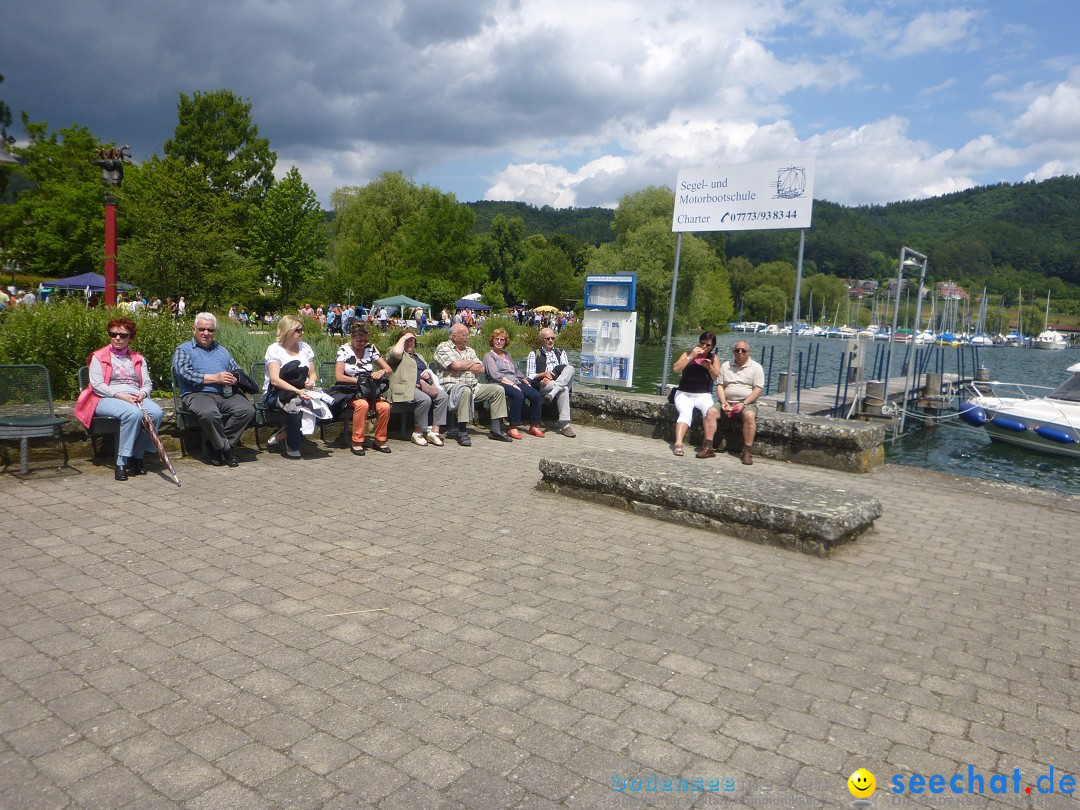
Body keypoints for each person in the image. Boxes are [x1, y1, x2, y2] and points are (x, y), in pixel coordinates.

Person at [74, 317, 164, 481]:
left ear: (130, 337)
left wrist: (142, 393)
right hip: (105, 396)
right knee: (133, 414)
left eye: (122, 335)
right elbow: (97, 385)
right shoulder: (99, 356)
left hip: (134, 396)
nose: (117, 338)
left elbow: (147, 383)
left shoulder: (137, 358)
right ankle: (122, 462)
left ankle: (138, 456)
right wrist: (120, 395)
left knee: (156, 413)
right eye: (113, 334)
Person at [172, 312, 255, 467]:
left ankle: (217, 445)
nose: (206, 333)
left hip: (225, 393)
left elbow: (236, 369)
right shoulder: (184, 350)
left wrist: (235, 378)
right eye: (202, 329)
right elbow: (184, 374)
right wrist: (214, 378)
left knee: (247, 410)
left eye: (210, 330)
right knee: (210, 413)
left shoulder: (222, 350)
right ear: (194, 329)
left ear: (214, 332)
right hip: (196, 394)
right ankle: (227, 450)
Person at [433, 323, 512, 445]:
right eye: (464, 335)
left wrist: (462, 365)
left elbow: (481, 368)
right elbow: (455, 365)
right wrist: (467, 364)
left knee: (498, 389)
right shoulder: (443, 348)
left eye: (468, 335)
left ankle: (496, 430)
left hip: (474, 385)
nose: (468, 337)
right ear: (454, 336)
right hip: (452, 387)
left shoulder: (470, 350)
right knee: (465, 390)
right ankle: (462, 432)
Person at [264, 315, 321, 458]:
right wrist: (297, 391)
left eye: (302, 330)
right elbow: (275, 380)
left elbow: (313, 374)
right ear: (287, 331)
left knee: (322, 405)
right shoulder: (275, 350)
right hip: (277, 392)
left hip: (302, 390)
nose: (302, 333)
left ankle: (283, 434)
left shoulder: (305, 348)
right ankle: (293, 446)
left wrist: (311, 382)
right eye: (298, 330)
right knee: (295, 404)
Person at [333, 321, 392, 456]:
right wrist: (359, 381)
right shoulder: (344, 350)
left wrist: (381, 372)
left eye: (365, 340)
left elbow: (388, 369)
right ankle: (357, 442)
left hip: (369, 390)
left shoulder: (370, 348)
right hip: (350, 390)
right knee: (362, 405)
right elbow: (338, 376)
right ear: (352, 337)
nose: (362, 344)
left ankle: (379, 440)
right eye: (359, 340)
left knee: (385, 407)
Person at [704, 339, 764, 464]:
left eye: (743, 350)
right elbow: (720, 385)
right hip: (727, 401)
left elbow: (758, 389)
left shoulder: (756, 367)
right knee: (710, 412)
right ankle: (708, 447)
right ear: (733, 352)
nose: (740, 353)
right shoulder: (726, 366)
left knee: (749, 415)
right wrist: (723, 401)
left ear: (748, 352)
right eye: (737, 350)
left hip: (746, 402)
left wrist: (744, 403)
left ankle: (747, 451)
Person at [386, 329, 448, 447]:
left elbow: (427, 370)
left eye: (413, 340)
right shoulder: (395, 353)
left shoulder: (418, 356)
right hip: (405, 388)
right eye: (407, 340)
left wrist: (427, 374)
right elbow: (396, 353)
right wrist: (404, 337)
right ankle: (417, 432)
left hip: (423, 386)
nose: (410, 343)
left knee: (443, 397)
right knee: (425, 399)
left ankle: (434, 432)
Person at [484, 328, 544, 439]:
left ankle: (534, 425)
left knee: (535, 395)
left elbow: (516, 371)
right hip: (499, 384)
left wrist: (527, 383)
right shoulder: (489, 356)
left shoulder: (507, 354)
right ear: (492, 340)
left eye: (502, 340)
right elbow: (495, 375)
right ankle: (513, 426)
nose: (499, 342)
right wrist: (512, 385)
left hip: (514, 382)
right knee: (518, 394)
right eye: (496, 339)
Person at [670, 331, 720, 458]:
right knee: (685, 413)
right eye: (702, 343)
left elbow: (716, 378)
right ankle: (678, 444)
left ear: (712, 347)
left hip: (703, 394)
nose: (704, 347)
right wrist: (691, 357)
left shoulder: (713, 358)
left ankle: (707, 445)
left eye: (708, 345)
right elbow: (676, 369)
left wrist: (709, 367)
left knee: (709, 412)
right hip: (684, 393)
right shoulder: (688, 353)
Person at [525, 328, 577, 437]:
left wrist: (552, 377)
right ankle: (565, 426)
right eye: (547, 338)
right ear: (541, 340)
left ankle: (552, 394)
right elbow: (529, 376)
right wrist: (544, 374)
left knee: (570, 368)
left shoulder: (561, 352)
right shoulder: (534, 354)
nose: (551, 340)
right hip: (544, 385)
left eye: (553, 338)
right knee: (564, 389)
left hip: (557, 383)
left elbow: (565, 371)